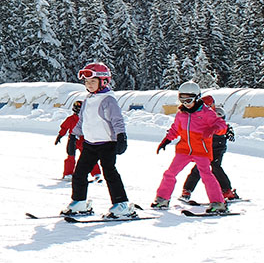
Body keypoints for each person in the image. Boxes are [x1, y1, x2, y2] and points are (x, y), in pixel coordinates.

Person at [61, 62, 134, 219]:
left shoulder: (108, 100)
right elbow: (82, 121)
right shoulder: (87, 99)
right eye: (87, 82)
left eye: (92, 81)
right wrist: (73, 136)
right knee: (79, 173)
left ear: (104, 81)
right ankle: (79, 202)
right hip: (90, 144)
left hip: (107, 144)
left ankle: (121, 204)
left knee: (110, 173)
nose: (89, 85)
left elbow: (117, 120)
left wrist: (121, 137)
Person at [152, 81, 228, 213]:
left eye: (189, 100)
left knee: (206, 175)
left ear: (197, 97)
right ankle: (162, 199)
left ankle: (218, 203)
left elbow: (221, 125)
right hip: (184, 150)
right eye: (182, 99)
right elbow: (176, 128)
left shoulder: (206, 112)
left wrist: (214, 129)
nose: (186, 103)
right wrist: (167, 139)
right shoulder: (182, 113)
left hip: (201, 150)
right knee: (170, 173)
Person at [180, 100, 238, 201]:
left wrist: (229, 130)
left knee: (215, 167)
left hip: (218, 147)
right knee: (199, 167)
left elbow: (222, 124)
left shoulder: (217, 112)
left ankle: (227, 191)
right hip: (206, 146)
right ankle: (187, 190)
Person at [55, 100, 102, 182]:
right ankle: (68, 174)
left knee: (89, 157)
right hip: (73, 139)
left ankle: (96, 173)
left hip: (84, 139)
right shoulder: (70, 119)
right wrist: (60, 136)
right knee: (71, 156)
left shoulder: (87, 119)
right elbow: (64, 127)